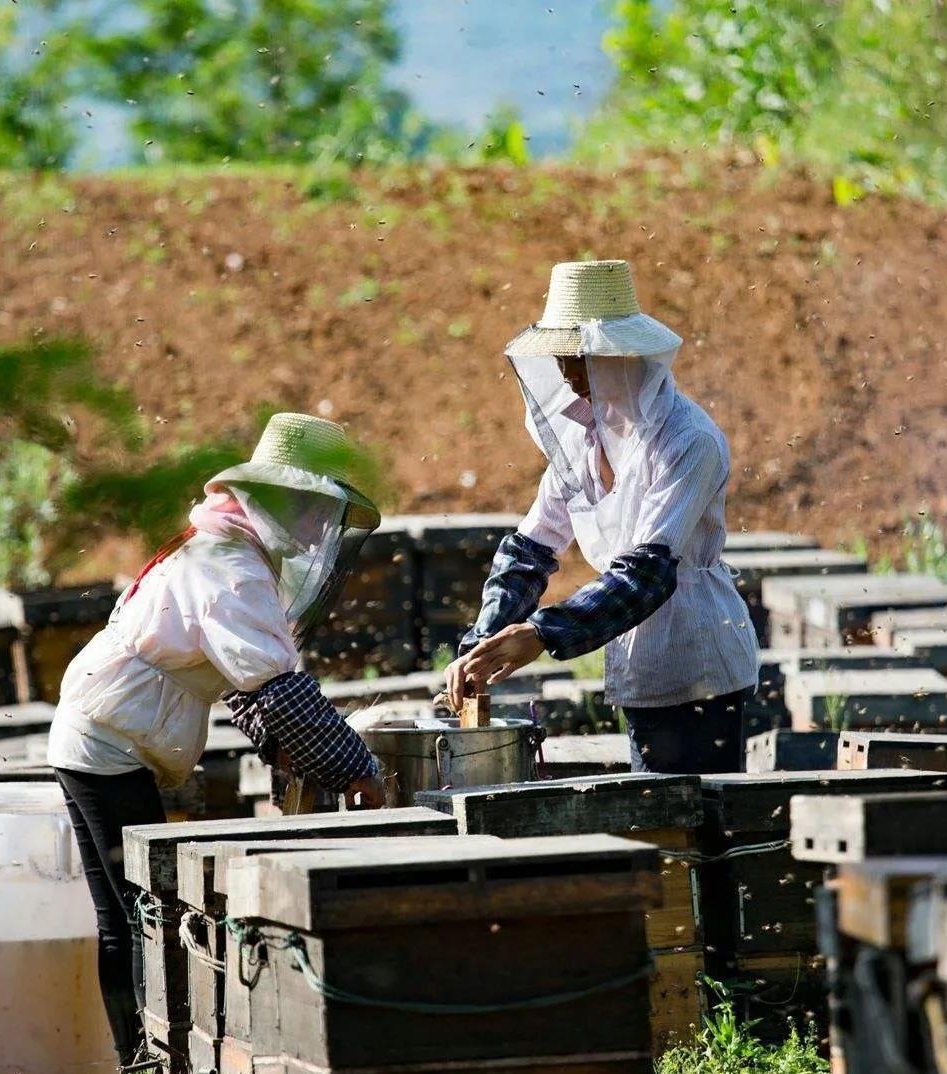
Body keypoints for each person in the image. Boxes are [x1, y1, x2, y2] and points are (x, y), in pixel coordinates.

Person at [48, 413, 387, 1067]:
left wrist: (279, 745)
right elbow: (275, 687)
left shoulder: (221, 552)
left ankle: (137, 1059)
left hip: (100, 733)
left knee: (126, 917)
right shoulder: (229, 568)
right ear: (284, 500)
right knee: (136, 920)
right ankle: (142, 1058)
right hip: (108, 745)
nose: (321, 528)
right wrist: (355, 768)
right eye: (316, 508)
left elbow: (241, 682)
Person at [445, 259, 759, 774]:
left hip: (697, 662)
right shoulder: (581, 436)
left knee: (696, 837)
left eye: (579, 357)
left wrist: (542, 633)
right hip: (638, 662)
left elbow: (648, 572)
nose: (568, 374)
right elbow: (531, 550)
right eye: (561, 358)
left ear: (621, 356)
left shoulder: (687, 442)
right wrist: (484, 639)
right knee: (658, 832)